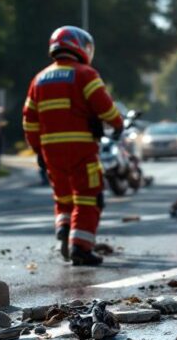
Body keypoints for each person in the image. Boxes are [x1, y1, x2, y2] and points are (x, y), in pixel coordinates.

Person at [23, 26, 123, 266]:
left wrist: (38, 150)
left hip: (51, 152)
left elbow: (29, 120)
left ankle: (64, 229)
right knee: (89, 196)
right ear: (79, 45)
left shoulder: (39, 79)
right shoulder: (85, 74)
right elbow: (105, 107)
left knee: (63, 196)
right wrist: (117, 125)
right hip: (80, 148)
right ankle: (81, 247)